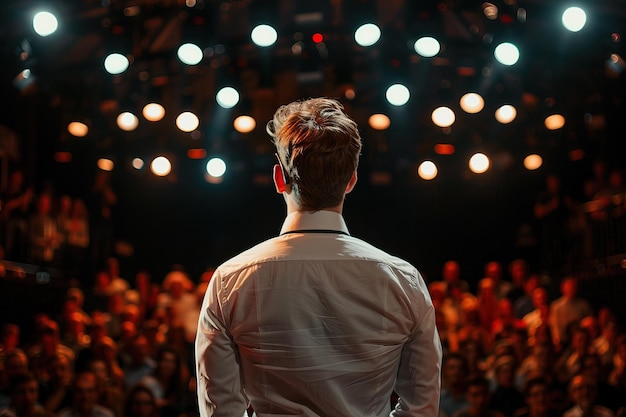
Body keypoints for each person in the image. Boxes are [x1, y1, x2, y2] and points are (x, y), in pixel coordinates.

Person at [195, 98, 442, 417]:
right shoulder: (403, 279)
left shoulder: (231, 279)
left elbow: (221, 412)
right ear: (351, 180)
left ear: (278, 178)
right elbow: (421, 408)